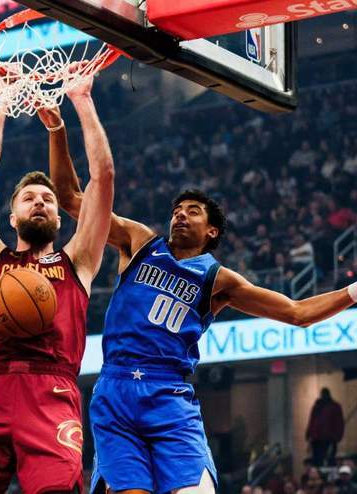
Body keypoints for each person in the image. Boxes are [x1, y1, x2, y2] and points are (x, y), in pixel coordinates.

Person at [48, 132, 357, 494]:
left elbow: (297, 312)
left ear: (212, 231)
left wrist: (352, 292)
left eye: (192, 211)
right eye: (176, 211)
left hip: (169, 393)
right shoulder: (139, 242)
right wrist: (57, 129)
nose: (180, 215)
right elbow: (70, 199)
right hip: (116, 388)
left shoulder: (218, 279)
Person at [0, 71, 114, 494]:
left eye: (47, 199)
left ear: (60, 218)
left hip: (51, 392)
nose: (39, 202)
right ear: (11, 218)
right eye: (29, 198)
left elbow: (102, 177)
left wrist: (81, 101)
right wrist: (0, 99)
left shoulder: (78, 261)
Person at [306, 387, 344, 467]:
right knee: (318, 460)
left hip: (328, 438)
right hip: (318, 438)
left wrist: (337, 437)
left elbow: (339, 423)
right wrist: (309, 433)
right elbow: (312, 421)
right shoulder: (318, 406)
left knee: (328, 460)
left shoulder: (333, 406)